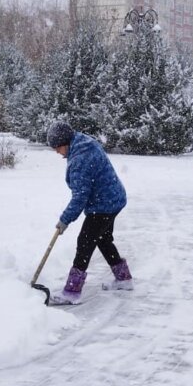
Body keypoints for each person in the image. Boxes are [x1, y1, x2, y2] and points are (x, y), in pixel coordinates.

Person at [46, 120, 132, 305]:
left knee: (85, 243)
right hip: (114, 197)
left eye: (57, 147)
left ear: (65, 142)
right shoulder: (83, 142)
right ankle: (123, 278)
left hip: (103, 205)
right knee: (102, 238)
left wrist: (65, 220)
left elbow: (80, 197)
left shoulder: (79, 160)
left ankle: (72, 291)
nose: (56, 152)